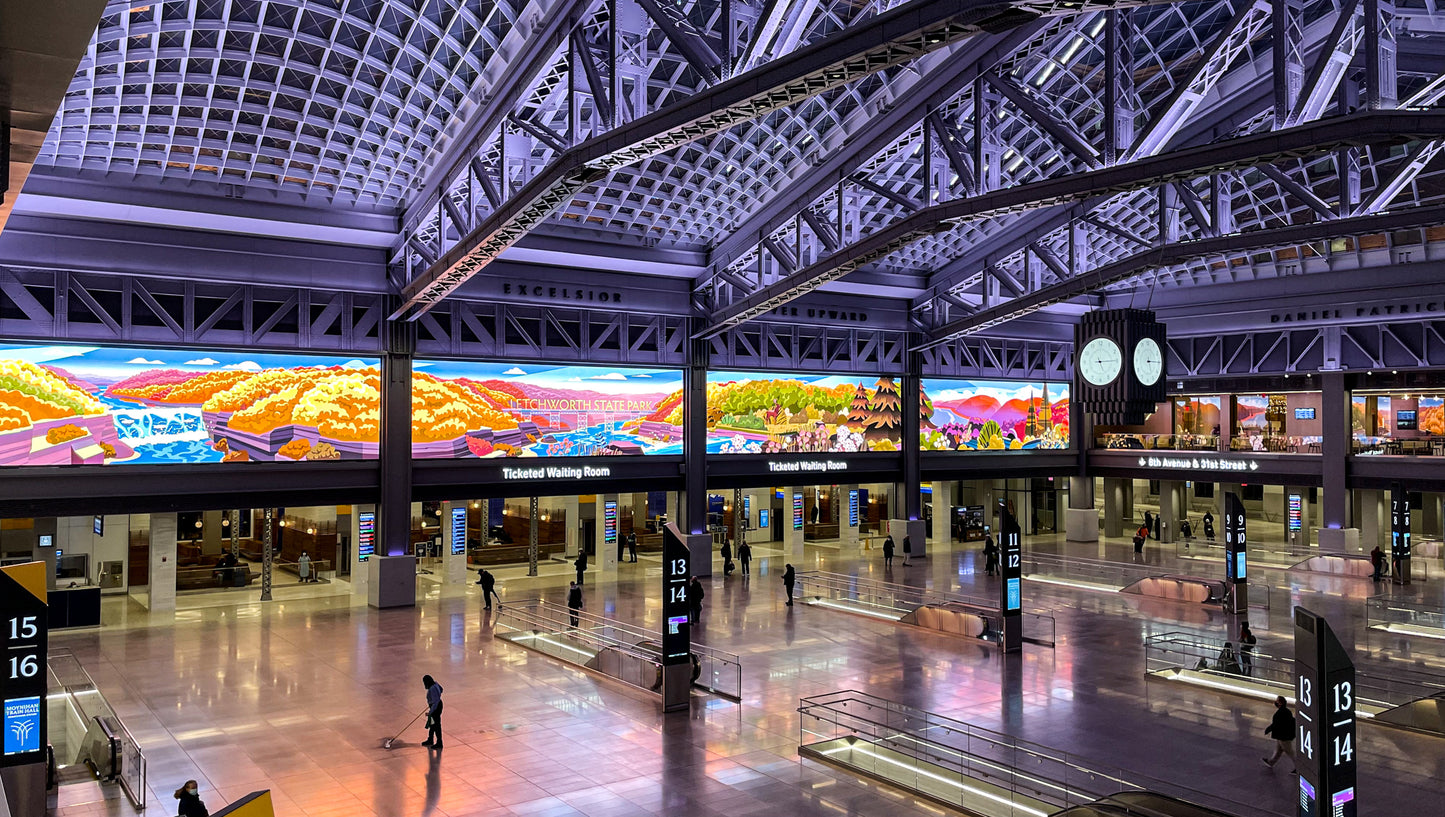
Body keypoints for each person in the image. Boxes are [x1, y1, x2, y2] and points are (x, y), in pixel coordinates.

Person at [1262, 696, 1298, 773]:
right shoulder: (1286, 711)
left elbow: (1276, 724)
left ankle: (1299, 767)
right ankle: (1271, 762)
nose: (1276, 702)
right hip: (1283, 735)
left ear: (1280, 703)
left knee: (1290, 752)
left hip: (1283, 736)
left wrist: (1268, 729)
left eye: (1277, 701)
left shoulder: (1280, 713)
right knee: (1278, 750)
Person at [421, 675, 443, 750]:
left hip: (436, 708)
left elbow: (435, 702)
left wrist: (431, 712)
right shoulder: (435, 684)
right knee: (432, 724)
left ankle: (439, 742)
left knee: (436, 725)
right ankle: (430, 739)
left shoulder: (432, 689)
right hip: (437, 706)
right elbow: (441, 689)